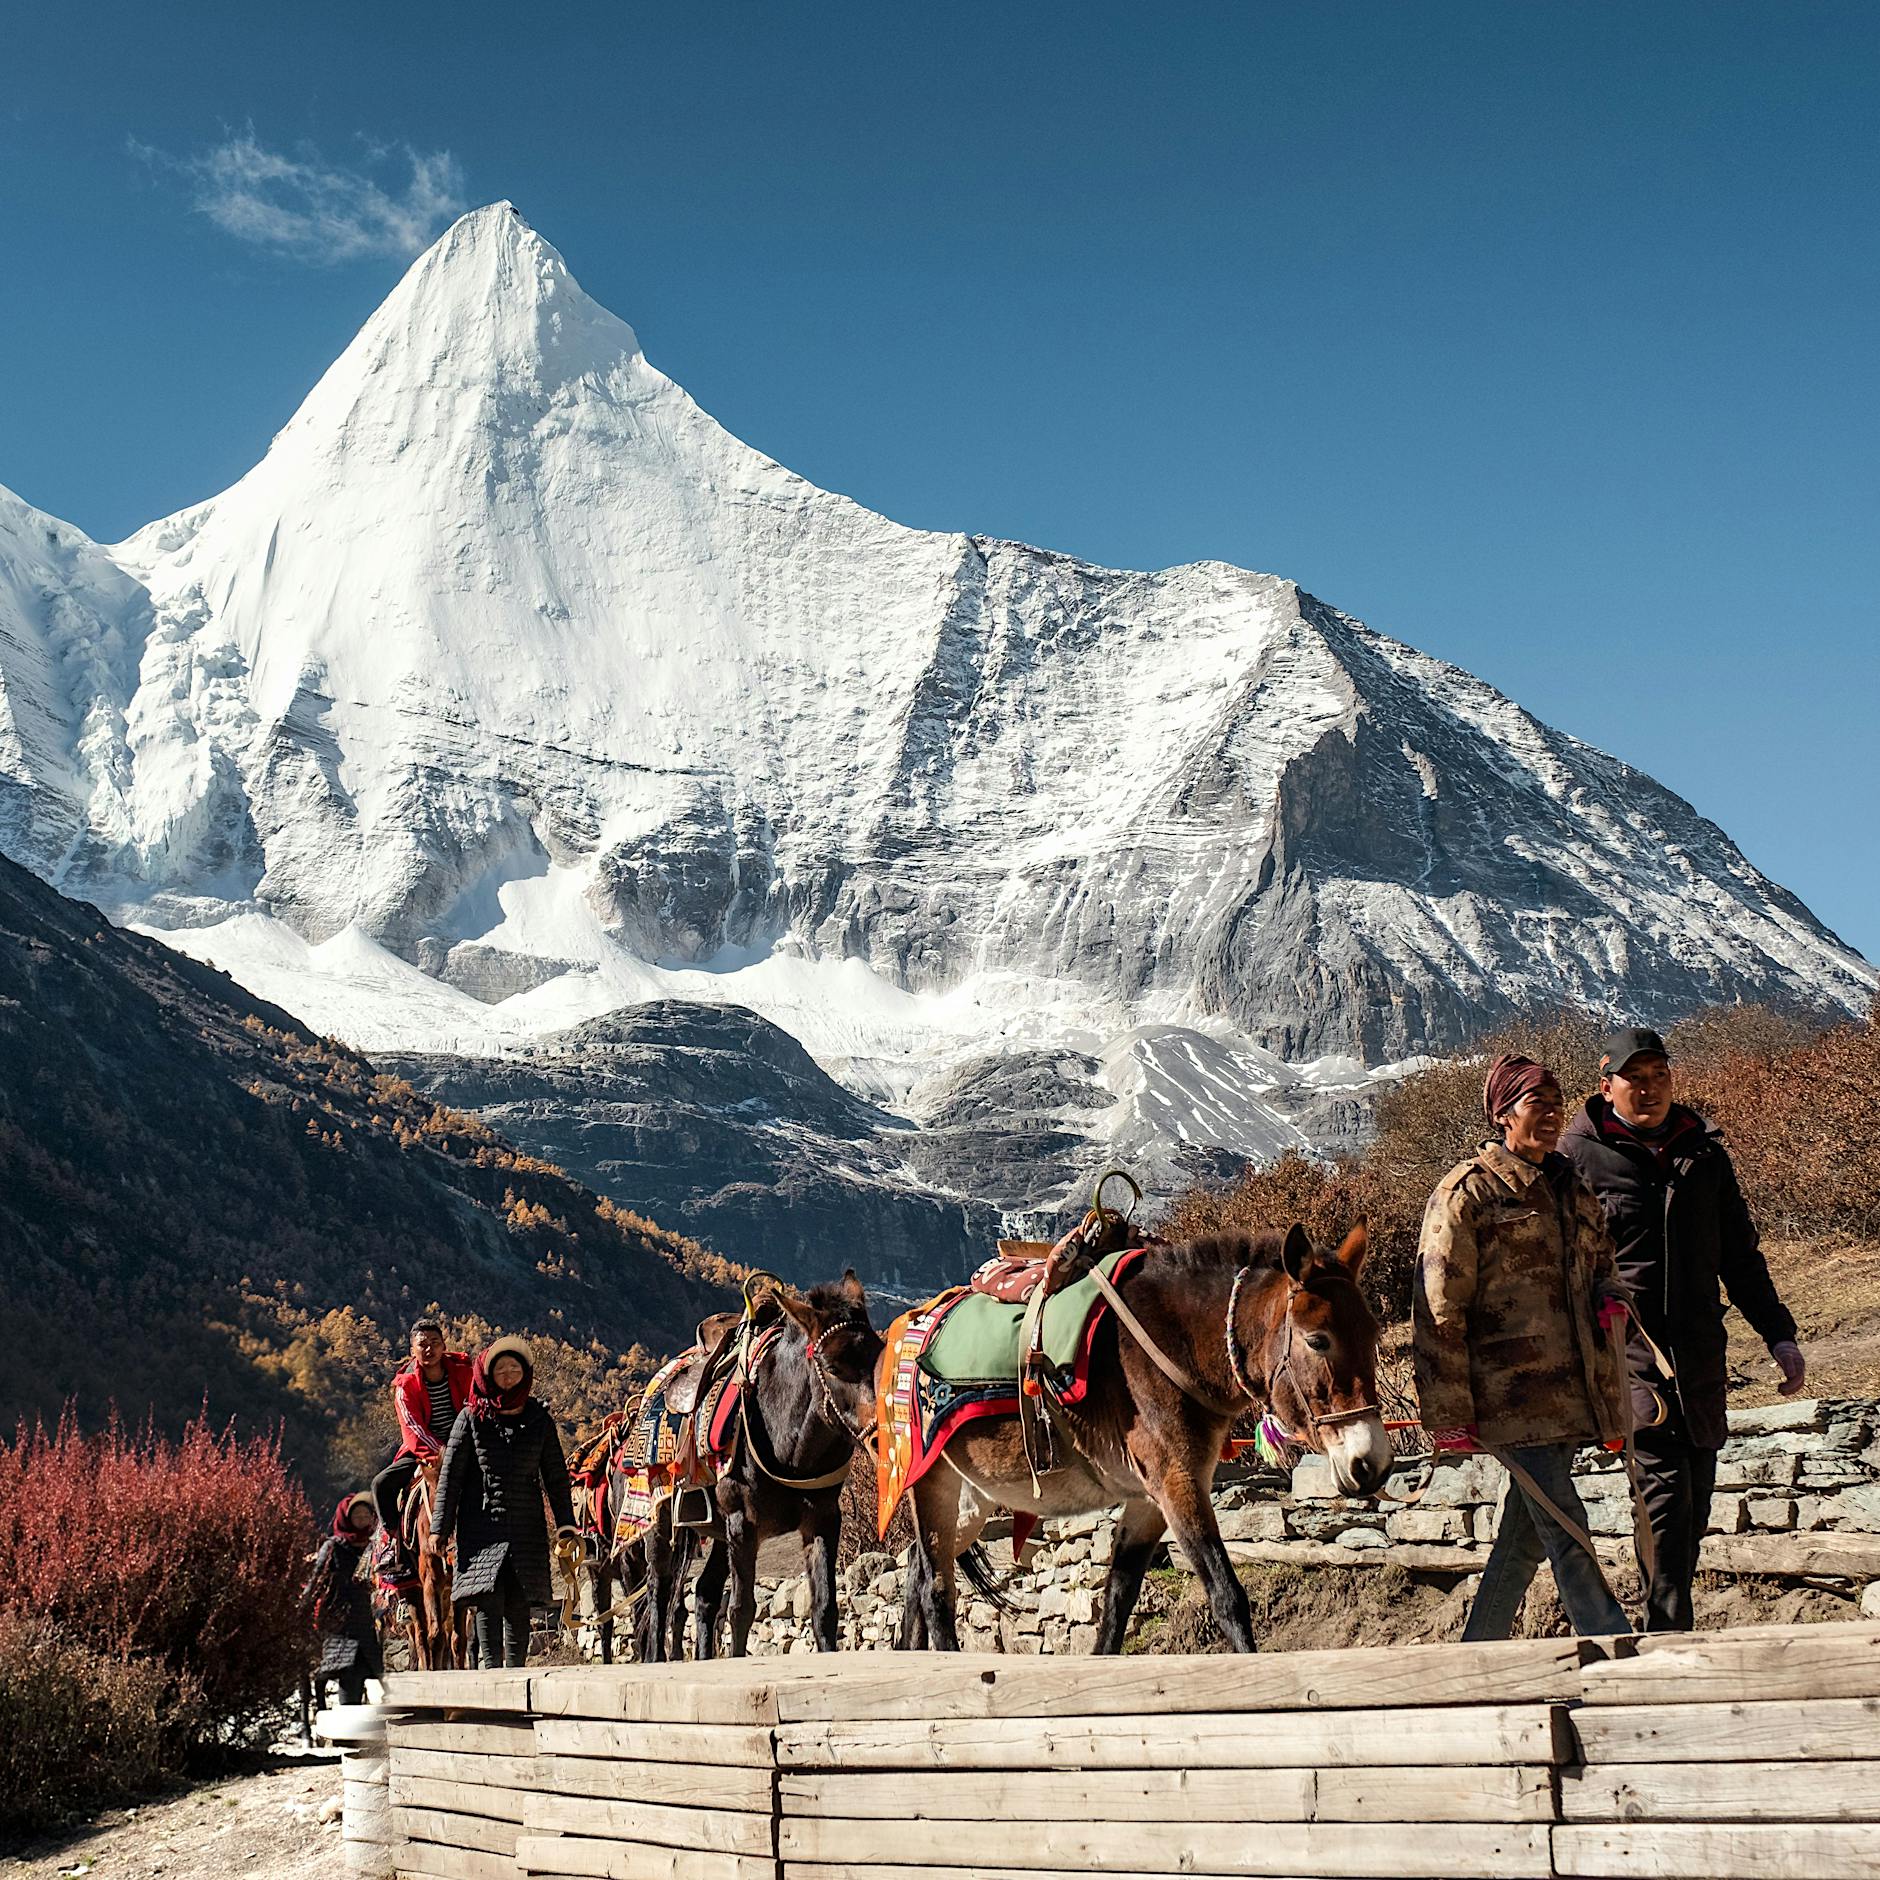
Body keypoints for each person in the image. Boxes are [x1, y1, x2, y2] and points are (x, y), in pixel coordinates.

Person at [1560, 1025, 1805, 1632]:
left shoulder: (1704, 1151)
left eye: (1659, 1077)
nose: (1648, 1090)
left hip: (1700, 1357)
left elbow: (1740, 1257)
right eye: (1634, 1079)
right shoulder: (1576, 1158)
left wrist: (1779, 1335)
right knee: (1665, 1503)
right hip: (1629, 1354)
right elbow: (1554, 1264)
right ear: (1606, 1084)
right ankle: (1670, 1648)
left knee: (1692, 1507)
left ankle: (1662, 1630)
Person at [1416, 1053, 1634, 1640]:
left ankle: (1475, 1650)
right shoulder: (1469, 1194)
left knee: (1526, 1535)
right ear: (1502, 1115)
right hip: (1508, 1402)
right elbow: (1439, 1309)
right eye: (1537, 1102)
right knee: (1565, 1523)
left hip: (1573, 1395)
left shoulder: (1570, 1186)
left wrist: (1612, 1301)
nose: (1553, 1112)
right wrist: (1450, 1414)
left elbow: (1603, 1267)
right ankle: (1611, 1641)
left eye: (1557, 1101)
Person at [431, 1336, 578, 1669]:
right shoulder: (470, 1419)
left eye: (515, 1368)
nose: (509, 1375)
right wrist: (440, 1527)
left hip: (527, 1524)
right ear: (487, 1374)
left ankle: (515, 1675)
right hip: (482, 1525)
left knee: (520, 1601)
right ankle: (491, 1675)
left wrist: (566, 1523)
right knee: (488, 1600)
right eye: (501, 1369)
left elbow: (555, 1477)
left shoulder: (539, 1420)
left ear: (525, 1373)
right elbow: (451, 1477)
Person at [372, 1319, 473, 1576]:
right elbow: (413, 1429)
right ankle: (394, 1547)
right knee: (381, 1484)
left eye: (434, 1343)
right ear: (412, 1350)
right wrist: (443, 1454)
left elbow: (478, 1405)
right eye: (423, 1345)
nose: (429, 1349)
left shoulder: (464, 1372)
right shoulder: (405, 1387)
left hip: (468, 1444)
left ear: (444, 1346)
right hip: (424, 1452)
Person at [302, 1492, 384, 1707]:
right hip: (342, 1624)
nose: (362, 1520)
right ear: (347, 1518)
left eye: (366, 1515)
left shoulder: (377, 1546)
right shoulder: (333, 1547)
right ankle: (345, 1733)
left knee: (380, 1674)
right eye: (357, 1516)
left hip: (371, 1624)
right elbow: (317, 1578)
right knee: (348, 1675)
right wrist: (303, 1606)